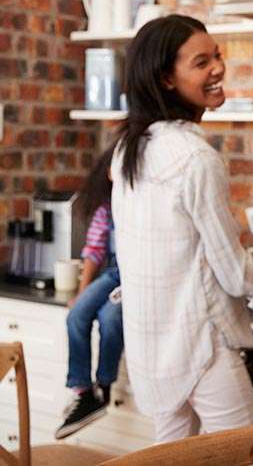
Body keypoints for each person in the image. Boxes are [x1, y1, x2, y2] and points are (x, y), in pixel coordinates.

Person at [110, 14, 253, 442]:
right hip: (201, 349)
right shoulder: (196, 159)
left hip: (151, 350)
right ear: (166, 78)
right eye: (201, 62)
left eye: (217, 55)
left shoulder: (130, 148)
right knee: (249, 456)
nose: (218, 67)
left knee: (172, 460)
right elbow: (235, 275)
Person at [55, 145, 123, 439]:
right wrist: (82, 293)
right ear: (108, 172)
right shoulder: (106, 210)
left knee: (110, 319)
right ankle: (83, 391)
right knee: (76, 316)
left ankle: (104, 387)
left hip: (135, 277)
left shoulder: (141, 206)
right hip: (113, 273)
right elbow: (94, 252)